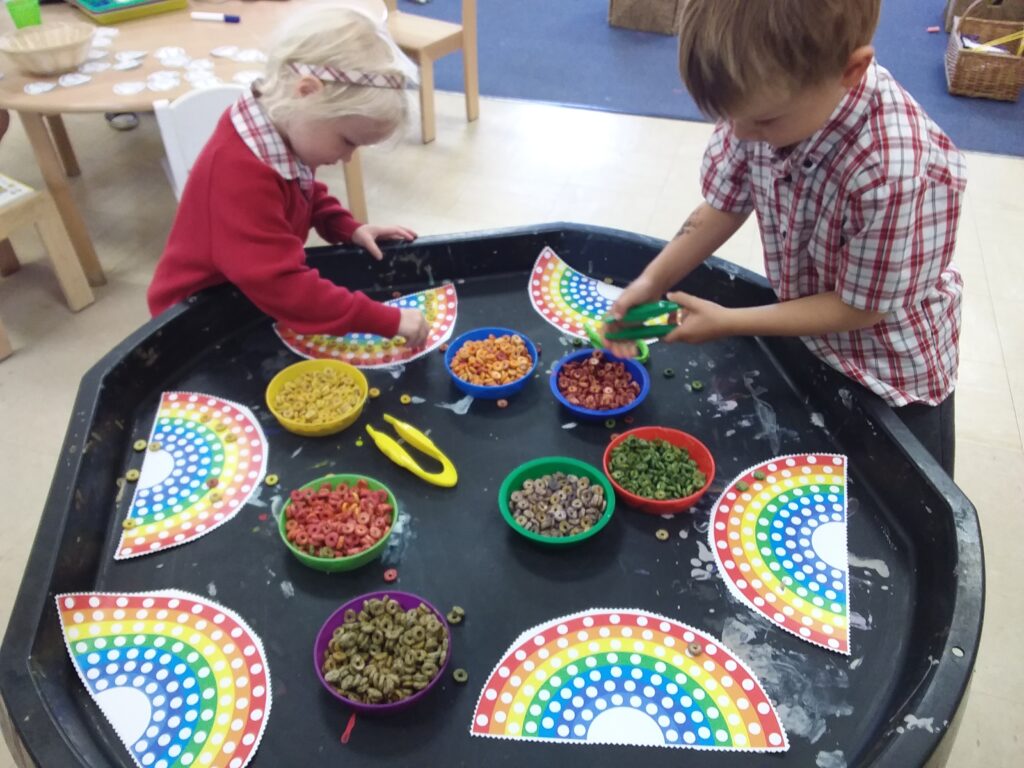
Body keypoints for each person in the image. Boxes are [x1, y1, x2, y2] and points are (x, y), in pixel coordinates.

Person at [606, 0, 964, 475]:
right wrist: (648, 284)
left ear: (851, 70)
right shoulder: (762, 101)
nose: (740, 133)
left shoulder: (892, 171)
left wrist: (729, 320)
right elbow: (723, 206)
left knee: (903, 499)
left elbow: (861, 307)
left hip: (890, 374)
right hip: (807, 330)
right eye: (733, 119)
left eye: (763, 123)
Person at [148, 6, 429, 346]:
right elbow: (284, 286)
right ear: (307, 92)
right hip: (195, 323)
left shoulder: (280, 127)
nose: (347, 158)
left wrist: (347, 228)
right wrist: (385, 318)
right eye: (347, 141)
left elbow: (303, 191)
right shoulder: (238, 173)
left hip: (247, 296)